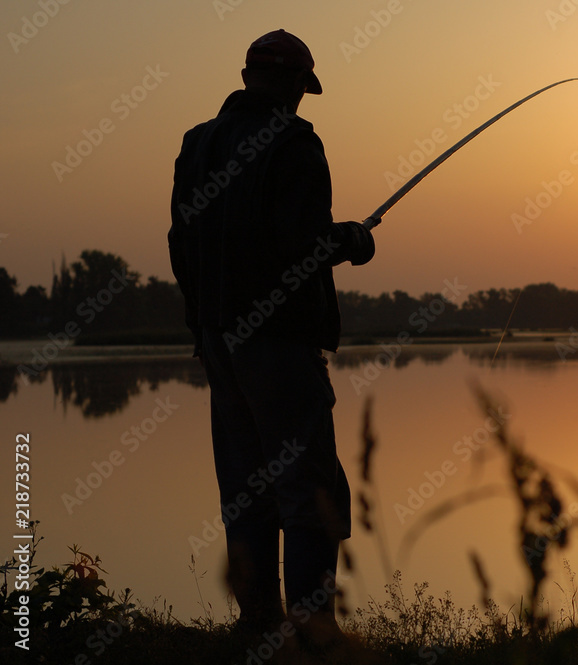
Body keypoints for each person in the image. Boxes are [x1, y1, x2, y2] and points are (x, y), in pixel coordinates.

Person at [168, 29, 374, 650]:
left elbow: (180, 245)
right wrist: (351, 241)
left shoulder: (197, 143)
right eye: (301, 90)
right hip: (280, 344)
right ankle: (314, 633)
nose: (301, 102)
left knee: (246, 484)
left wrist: (204, 325)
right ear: (290, 86)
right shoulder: (293, 143)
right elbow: (301, 247)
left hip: (219, 342)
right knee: (309, 486)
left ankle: (256, 623)